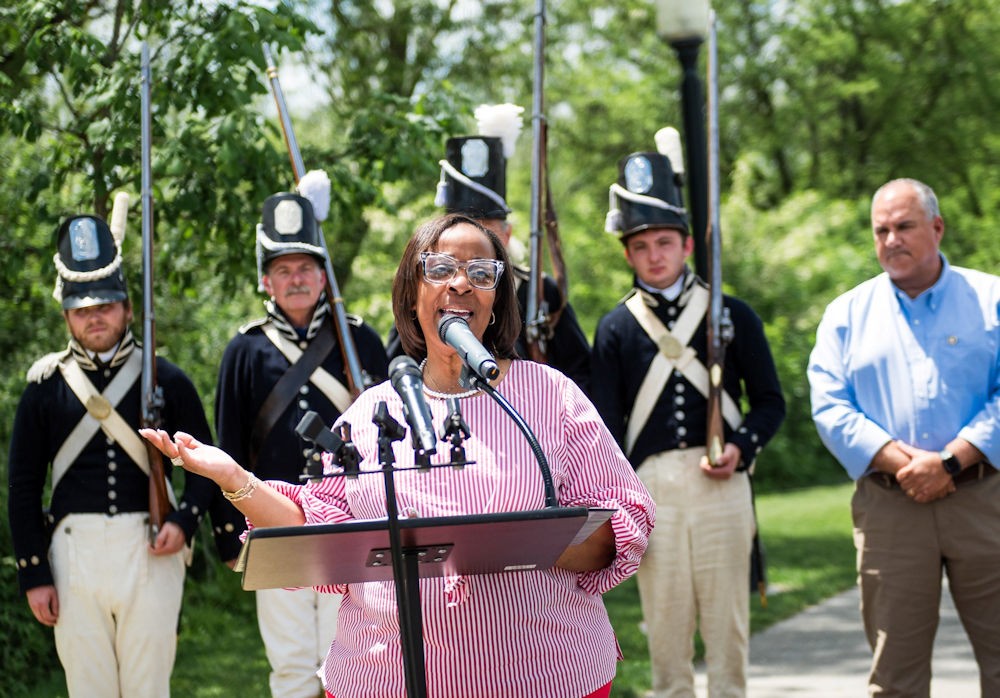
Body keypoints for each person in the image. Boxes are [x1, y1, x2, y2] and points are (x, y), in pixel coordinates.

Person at [144, 213, 655, 698]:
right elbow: (315, 525)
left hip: (540, 671)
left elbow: (626, 514)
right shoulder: (372, 413)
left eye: (481, 272)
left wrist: (525, 543)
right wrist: (234, 478)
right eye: (440, 269)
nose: (460, 283)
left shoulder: (549, 395)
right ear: (413, 297)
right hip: (387, 674)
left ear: (496, 300)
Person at [590, 145, 785, 698]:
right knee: (667, 634)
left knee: (727, 630)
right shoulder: (616, 328)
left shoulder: (731, 314)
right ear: (628, 253)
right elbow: (604, 424)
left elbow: (771, 401)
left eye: (665, 243)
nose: (655, 256)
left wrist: (742, 447)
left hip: (722, 485)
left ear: (688, 245)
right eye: (641, 246)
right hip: (654, 488)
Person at [7, 212, 227, 697]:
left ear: (127, 308)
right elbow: (22, 487)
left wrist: (184, 521)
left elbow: (206, 466)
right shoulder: (44, 389)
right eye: (82, 308)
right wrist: (34, 573)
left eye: (106, 305)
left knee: (149, 686)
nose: (95, 316)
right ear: (66, 315)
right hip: (73, 553)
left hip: (148, 546)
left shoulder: (166, 379)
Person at [808, 177, 1000, 696]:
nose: (891, 239)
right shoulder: (845, 315)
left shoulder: (992, 299)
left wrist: (951, 462)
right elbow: (829, 406)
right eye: (881, 230)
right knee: (896, 678)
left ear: (937, 227)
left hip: (985, 500)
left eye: (904, 226)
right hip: (890, 508)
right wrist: (904, 465)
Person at [212, 191, 389, 698]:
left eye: (305, 268)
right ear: (266, 280)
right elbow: (229, 443)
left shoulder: (359, 341)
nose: (295, 279)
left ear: (323, 276)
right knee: (291, 664)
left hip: (351, 519)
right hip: (274, 522)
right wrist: (231, 534)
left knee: (357, 661)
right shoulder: (244, 350)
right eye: (283, 270)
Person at [387, 107, 592, 393]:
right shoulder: (429, 288)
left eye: (488, 227)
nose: (476, 235)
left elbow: (579, 368)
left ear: (506, 235)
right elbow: (400, 361)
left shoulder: (540, 289)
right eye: (467, 224)